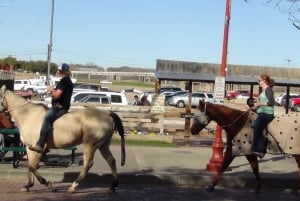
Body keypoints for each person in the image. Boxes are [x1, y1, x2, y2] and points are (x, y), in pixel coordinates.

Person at [29, 63, 74, 153]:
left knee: (46, 119)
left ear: (62, 71)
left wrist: (51, 91)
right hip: (62, 107)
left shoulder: (64, 81)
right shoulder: (67, 81)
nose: (57, 72)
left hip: (59, 107)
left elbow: (57, 95)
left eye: (59, 70)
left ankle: (40, 144)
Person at [250, 74, 275, 159]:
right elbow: (260, 104)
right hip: (261, 112)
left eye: (259, 80)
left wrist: (259, 103)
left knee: (257, 127)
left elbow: (272, 103)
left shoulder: (268, 90)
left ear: (264, 81)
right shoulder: (263, 91)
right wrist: (252, 107)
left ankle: (260, 151)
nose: (258, 82)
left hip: (267, 114)